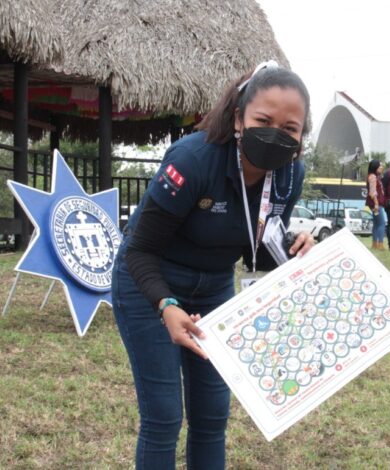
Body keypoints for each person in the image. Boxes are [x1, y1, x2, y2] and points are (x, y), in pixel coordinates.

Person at [111, 62, 315, 470]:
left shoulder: (291, 174)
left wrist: (297, 248)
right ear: (239, 118)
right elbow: (139, 250)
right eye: (263, 120)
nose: (276, 132)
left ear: (301, 136)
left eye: (290, 128)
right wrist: (166, 305)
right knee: (164, 417)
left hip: (215, 289)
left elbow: (259, 244)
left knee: (211, 418)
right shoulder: (193, 159)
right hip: (150, 284)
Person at [366, 159, 387, 250]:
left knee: (376, 224)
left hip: (375, 203)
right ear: (375, 167)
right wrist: (376, 204)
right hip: (376, 204)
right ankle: (380, 244)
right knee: (382, 223)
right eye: (380, 166)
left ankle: (375, 244)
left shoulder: (375, 176)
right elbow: (373, 192)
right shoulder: (373, 177)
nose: (381, 168)